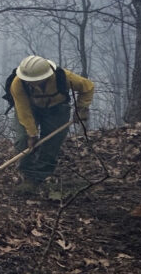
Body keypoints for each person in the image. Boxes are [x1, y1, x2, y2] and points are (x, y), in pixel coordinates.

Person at [7, 55, 94, 195]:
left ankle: (40, 176)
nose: (30, 83)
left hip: (57, 109)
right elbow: (23, 110)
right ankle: (27, 175)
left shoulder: (63, 77)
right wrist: (32, 133)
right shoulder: (17, 83)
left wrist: (81, 108)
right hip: (30, 109)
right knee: (23, 139)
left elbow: (88, 87)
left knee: (52, 142)